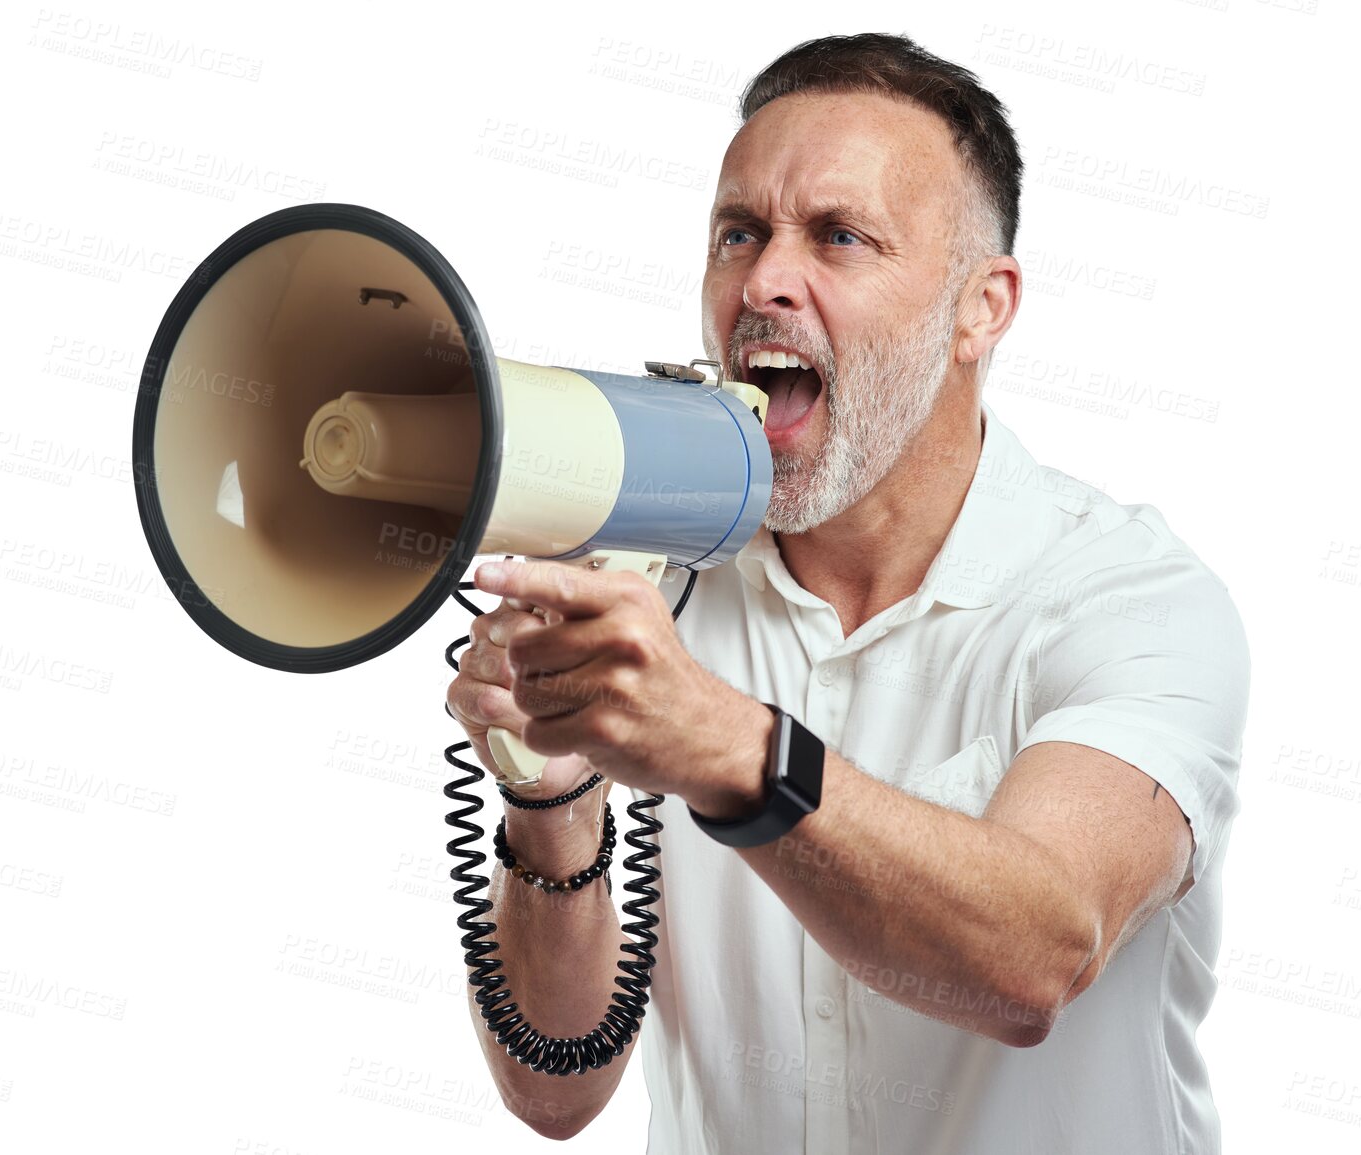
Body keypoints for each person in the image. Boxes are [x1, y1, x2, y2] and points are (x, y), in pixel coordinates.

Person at [446, 32, 1250, 1154]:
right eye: (739, 234)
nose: (765, 282)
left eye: (839, 237)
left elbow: (1038, 957)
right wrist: (552, 798)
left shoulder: (1132, 600)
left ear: (983, 309)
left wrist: (728, 751)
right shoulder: (648, 578)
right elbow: (557, 1093)